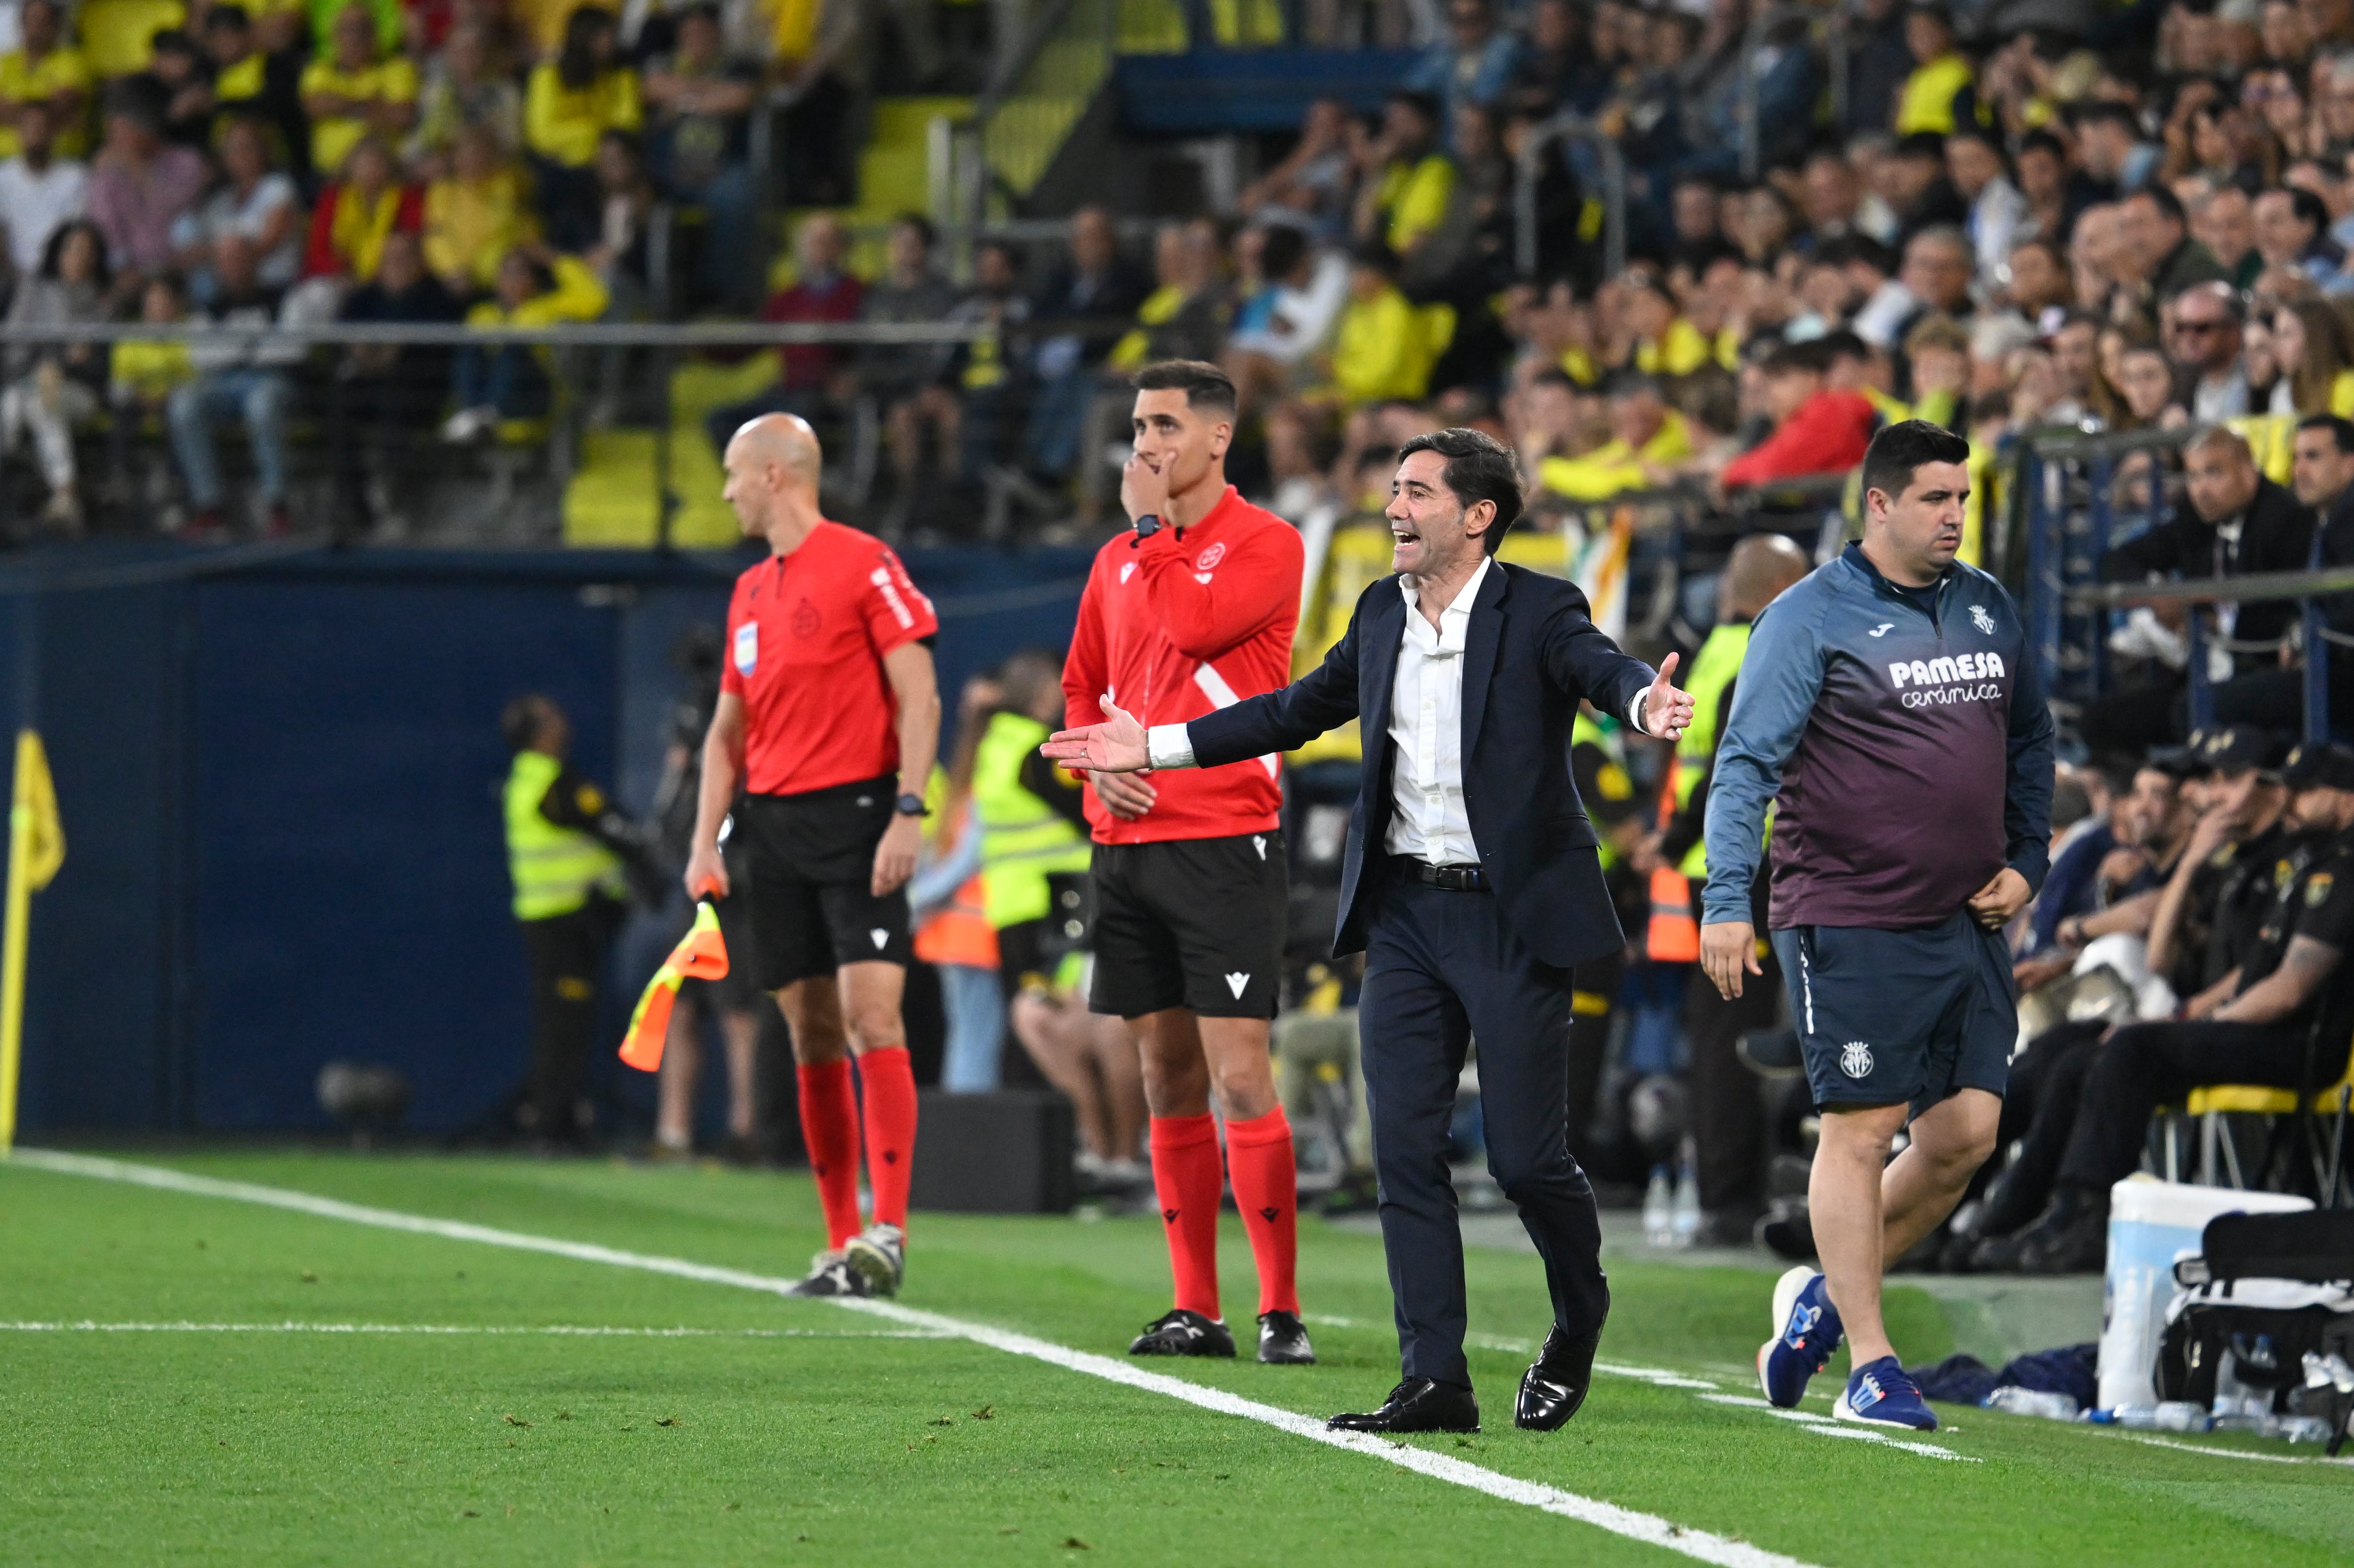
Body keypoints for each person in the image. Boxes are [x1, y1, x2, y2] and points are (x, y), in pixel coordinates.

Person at [1046, 425, 1696, 1433]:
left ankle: (1579, 1315)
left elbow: (1597, 667)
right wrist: (1158, 745)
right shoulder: (1378, 613)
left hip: (1508, 916)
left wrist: (1640, 700)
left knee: (1526, 1163)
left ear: (1476, 517)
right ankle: (1434, 1377)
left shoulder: (1539, 607)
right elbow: (1295, 711)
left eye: (1418, 492)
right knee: (1401, 1150)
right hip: (1405, 914)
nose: (1394, 507)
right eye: (1393, 489)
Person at [1699, 420, 2054, 1432]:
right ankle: (1869, 1359)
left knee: (1964, 1137)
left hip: (1966, 918)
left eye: (1963, 498)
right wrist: (1728, 902)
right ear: (1881, 504)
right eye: (1936, 498)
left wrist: (2027, 860)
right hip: (1846, 912)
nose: (1954, 516)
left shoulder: (1987, 605)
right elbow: (1744, 768)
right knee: (1858, 1128)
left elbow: (2030, 738)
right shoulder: (1807, 617)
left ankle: (1819, 1299)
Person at [1048, 359, 1313, 1365]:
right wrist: (1094, 776)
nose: (1145, 443)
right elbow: (1082, 687)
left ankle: (1280, 1307)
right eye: (1137, 425)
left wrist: (1153, 534)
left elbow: (1195, 626)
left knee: (1240, 1075)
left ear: (1215, 438)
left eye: (1162, 425)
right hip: (1126, 849)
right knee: (1163, 1073)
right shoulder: (1116, 559)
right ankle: (1195, 1305)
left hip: (1222, 842)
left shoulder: (1266, 544)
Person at [684, 412, 942, 1299]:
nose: (724, 492)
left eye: (731, 473)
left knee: (874, 1016)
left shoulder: (864, 561)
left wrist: (910, 810)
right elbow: (727, 734)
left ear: (774, 476)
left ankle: (890, 1230)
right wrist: (704, 843)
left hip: (861, 816)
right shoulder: (750, 591)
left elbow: (920, 693)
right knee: (809, 1028)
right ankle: (839, 1242)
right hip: (774, 832)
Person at [2004, 740, 2354, 1271]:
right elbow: (2235, 972)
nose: (2293, 802)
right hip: (2258, 1026)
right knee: (2080, 1052)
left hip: (2299, 1045)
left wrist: (2196, 1019)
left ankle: (2089, 1218)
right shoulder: (2303, 860)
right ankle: (2047, 1212)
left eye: (2307, 792)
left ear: (2344, 798)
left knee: (2133, 1047)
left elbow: (2287, 990)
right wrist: (2190, 1015)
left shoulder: (2340, 868)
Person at [1641, 534, 1812, 1242]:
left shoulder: (1712, 652)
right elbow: (1734, 764)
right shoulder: (1762, 651)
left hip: (1703, 868)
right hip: (1746, 864)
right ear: (1781, 585)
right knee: (1736, 1040)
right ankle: (1731, 1198)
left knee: (1714, 1034)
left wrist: (1675, 840)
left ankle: (1722, 1188)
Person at [500, 693, 635, 1149]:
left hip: (551, 918)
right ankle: (554, 1123)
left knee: (563, 1021)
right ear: (540, 732)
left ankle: (557, 1114)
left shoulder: (524, 780)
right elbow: (610, 826)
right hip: (564, 920)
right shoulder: (551, 784)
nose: (564, 721)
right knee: (565, 1024)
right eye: (553, 716)